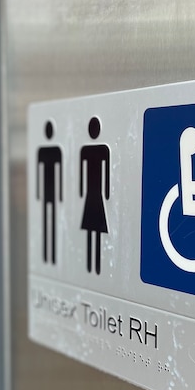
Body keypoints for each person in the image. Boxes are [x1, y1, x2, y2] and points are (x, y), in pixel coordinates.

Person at [79, 116, 110, 274]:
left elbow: (82, 175)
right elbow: (106, 176)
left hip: (91, 196)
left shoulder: (88, 150)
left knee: (93, 230)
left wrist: (81, 191)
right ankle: (94, 266)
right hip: (96, 196)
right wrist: (107, 193)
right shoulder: (101, 150)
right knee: (94, 230)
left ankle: (94, 266)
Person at [37, 120, 62, 264]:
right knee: (50, 221)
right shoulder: (54, 150)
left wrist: (39, 193)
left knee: (49, 220)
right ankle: (49, 254)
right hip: (50, 193)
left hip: (48, 192)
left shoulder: (48, 150)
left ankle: (50, 254)